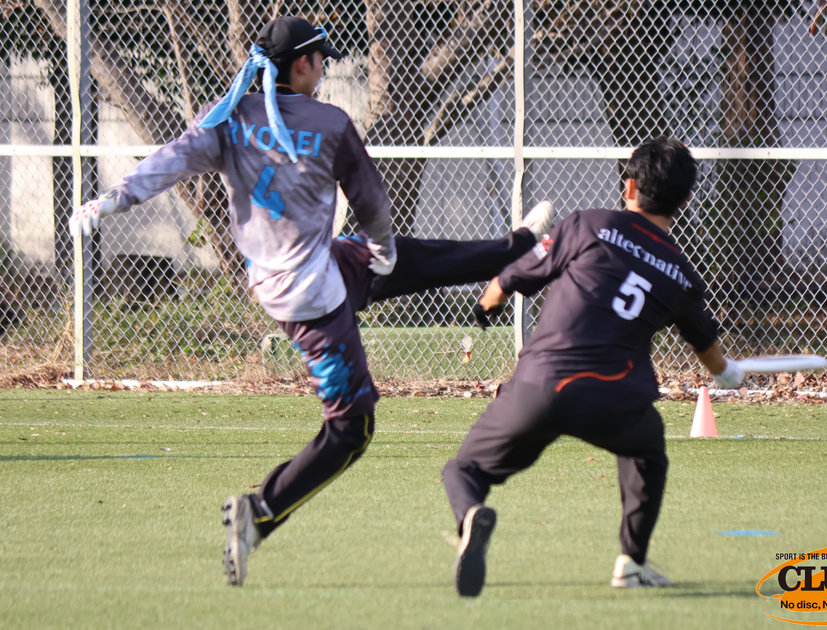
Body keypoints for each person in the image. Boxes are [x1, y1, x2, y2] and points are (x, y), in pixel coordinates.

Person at [68, 15, 554, 587]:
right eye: (321, 60)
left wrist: (110, 200)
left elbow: (168, 162)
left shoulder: (229, 116)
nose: (323, 70)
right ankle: (258, 512)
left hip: (292, 279)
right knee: (352, 429)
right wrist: (381, 248)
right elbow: (371, 200)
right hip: (313, 301)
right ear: (301, 64)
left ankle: (517, 247)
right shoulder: (328, 123)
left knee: (403, 259)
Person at [442, 137, 744, 597]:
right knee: (647, 449)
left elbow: (512, 276)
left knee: (464, 469)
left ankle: (470, 517)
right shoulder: (681, 274)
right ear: (685, 201)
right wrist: (726, 373)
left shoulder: (589, 224)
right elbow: (706, 347)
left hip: (540, 385)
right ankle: (631, 562)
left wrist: (487, 305)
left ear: (629, 187)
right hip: (614, 397)